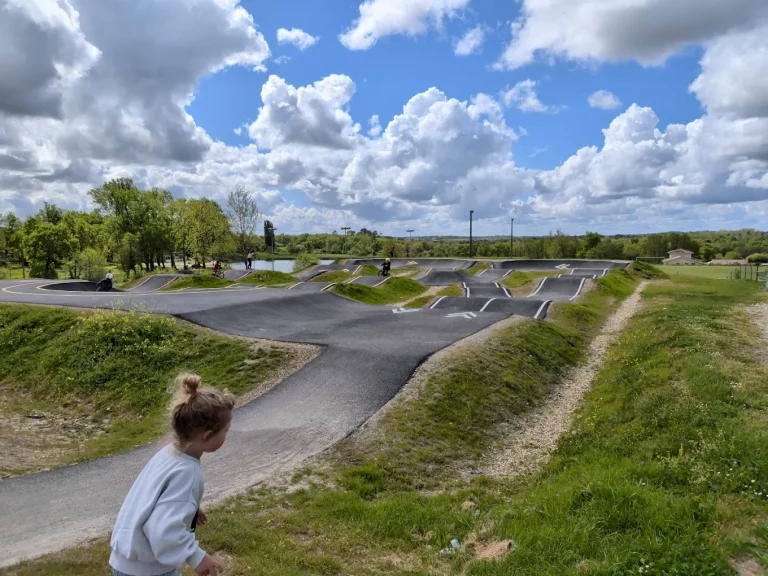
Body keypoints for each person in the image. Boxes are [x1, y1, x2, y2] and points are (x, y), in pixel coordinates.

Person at [109, 373, 234, 576]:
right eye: (225, 431)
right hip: (147, 570)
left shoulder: (169, 453)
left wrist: (188, 504)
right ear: (208, 436)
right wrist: (197, 556)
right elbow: (161, 530)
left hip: (125, 561)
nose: (227, 435)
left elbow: (155, 495)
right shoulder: (188, 471)